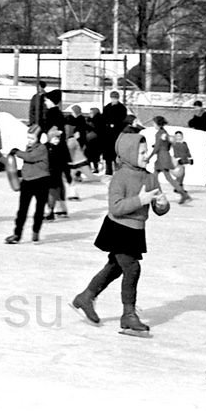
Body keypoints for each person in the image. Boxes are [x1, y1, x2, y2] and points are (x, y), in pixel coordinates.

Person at [70, 133, 170, 336]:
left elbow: (158, 206)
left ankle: (86, 296)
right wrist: (140, 200)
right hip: (118, 228)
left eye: (146, 151)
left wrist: (162, 205)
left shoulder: (150, 177)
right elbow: (116, 207)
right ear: (129, 153)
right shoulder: (120, 177)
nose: (146, 155)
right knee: (132, 268)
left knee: (116, 267)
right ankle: (128, 315)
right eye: (141, 152)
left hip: (136, 230)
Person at [5, 125, 50, 244]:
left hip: (41, 182)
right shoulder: (29, 147)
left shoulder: (42, 148)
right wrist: (18, 173)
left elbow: (30, 158)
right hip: (27, 182)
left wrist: (16, 152)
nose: (29, 141)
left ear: (39, 138)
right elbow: (28, 165)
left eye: (32, 138)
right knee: (22, 210)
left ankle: (36, 232)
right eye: (28, 138)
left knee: (39, 209)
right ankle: (17, 234)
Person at [152, 116, 189, 204]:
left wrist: (149, 157)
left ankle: (182, 194)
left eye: (154, 123)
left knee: (165, 177)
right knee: (157, 176)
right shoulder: (164, 133)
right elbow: (166, 144)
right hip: (163, 156)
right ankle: (182, 194)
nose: (153, 125)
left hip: (162, 158)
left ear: (158, 124)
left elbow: (157, 147)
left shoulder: (159, 134)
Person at [101, 91, 128, 176]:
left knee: (116, 151)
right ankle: (108, 169)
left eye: (115, 98)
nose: (114, 100)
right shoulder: (107, 107)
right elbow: (103, 119)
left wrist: (116, 125)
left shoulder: (122, 108)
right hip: (107, 133)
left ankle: (117, 168)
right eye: (112, 98)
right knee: (108, 152)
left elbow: (123, 120)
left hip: (117, 132)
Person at [171, 130, 193, 203]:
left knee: (182, 174)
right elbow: (175, 152)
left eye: (180, 136)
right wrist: (178, 159)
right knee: (180, 174)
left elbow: (187, 151)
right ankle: (179, 187)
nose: (178, 137)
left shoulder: (184, 143)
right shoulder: (175, 144)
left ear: (182, 136)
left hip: (184, 160)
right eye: (177, 136)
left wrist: (190, 158)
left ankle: (178, 187)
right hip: (178, 161)